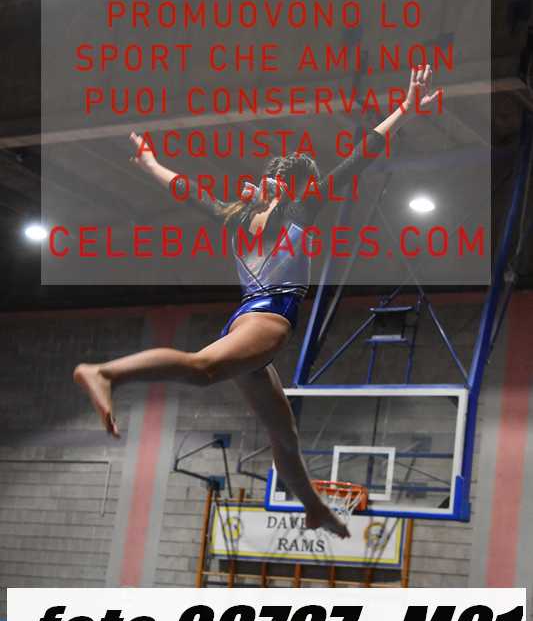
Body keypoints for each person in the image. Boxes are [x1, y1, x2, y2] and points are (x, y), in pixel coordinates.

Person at [74, 65, 441, 537]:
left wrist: (150, 164)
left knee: (283, 434)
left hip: (247, 319)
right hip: (267, 318)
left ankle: (313, 507)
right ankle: (105, 373)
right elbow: (359, 157)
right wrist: (405, 109)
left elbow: (187, 190)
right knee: (202, 369)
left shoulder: (235, 216)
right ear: (299, 188)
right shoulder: (299, 209)